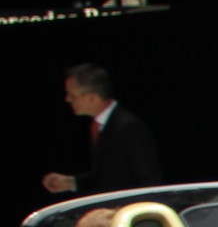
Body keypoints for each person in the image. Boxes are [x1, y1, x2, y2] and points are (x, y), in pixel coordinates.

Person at [39, 63, 164, 196]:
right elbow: (108, 177)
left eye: (72, 95)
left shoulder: (128, 127)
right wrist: (71, 182)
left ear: (92, 97)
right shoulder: (102, 126)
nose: (67, 99)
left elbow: (150, 182)